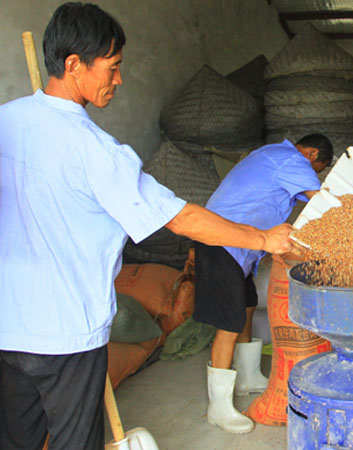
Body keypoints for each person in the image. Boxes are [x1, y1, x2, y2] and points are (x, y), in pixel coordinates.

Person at [0, 3, 295, 449]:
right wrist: (263, 237)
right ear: (74, 64)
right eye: (113, 67)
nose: (118, 80)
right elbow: (183, 218)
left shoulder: (7, 122)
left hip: (8, 329)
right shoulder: (97, 151)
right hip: (65, 336)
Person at [194, 134, 333, 434]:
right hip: (222, 243)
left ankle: (246, 377)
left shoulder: (273, 157)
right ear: (311, 154)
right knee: (229, 324)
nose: (315, 175)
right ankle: (217, 408)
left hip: (235, 247)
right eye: (318, 168)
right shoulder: (293, 160)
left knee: (245, 306)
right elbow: (321, 202)